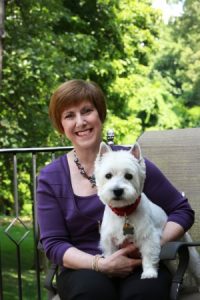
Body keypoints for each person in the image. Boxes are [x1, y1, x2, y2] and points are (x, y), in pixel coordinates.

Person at [37, 79, 194, 300]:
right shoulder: (50, 178)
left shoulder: (133, 164)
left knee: (146, 293)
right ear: (60, 125)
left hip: (140, 262)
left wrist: (153, 243)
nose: (80, 122)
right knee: (92, 293)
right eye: (69, 115)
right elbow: (53, 243)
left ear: (100, 114)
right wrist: (100, 264)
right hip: (83, 267)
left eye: (87, 111)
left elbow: (182, 210)